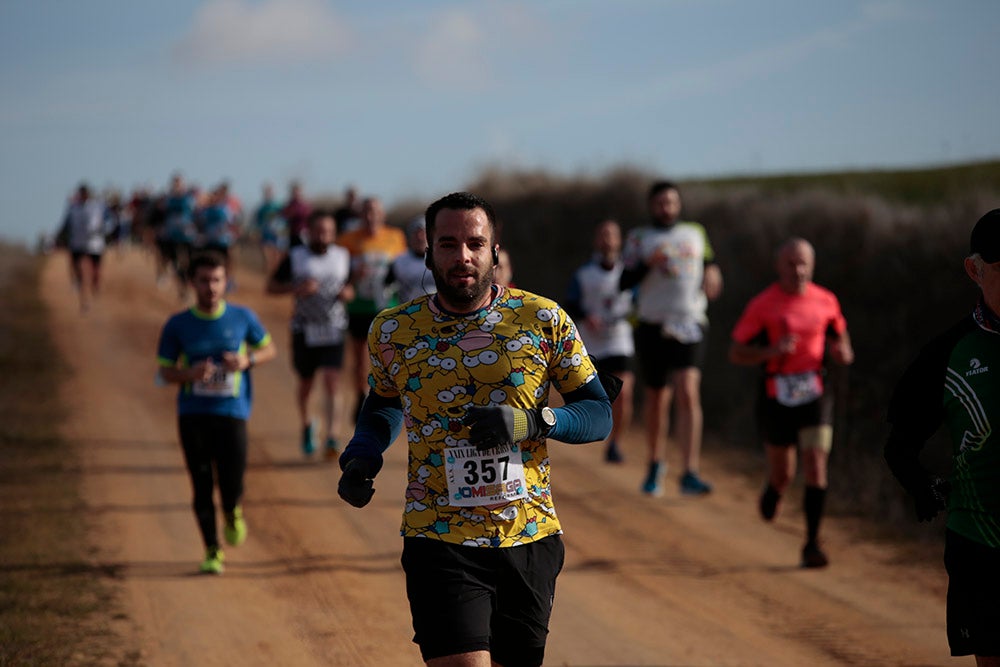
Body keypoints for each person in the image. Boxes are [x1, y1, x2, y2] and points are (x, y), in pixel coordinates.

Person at [336, 191, 613, 667]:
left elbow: (597, 412)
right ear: (427, 251)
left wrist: (532, 422)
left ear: (493, 251)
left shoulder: (543, 320)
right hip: (437, 535)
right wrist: (363, 453)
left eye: (474, 243)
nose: (462, 255)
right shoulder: (392, 331)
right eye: (447, 244)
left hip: (528, 535)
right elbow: (383, 403)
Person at [885, 209, 1000, 664]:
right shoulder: (948, 353)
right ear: (975, 270)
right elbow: (900, 443)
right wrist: (921, 483)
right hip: (982, 542)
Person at [729, 237, 854, 568]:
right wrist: (771, 352)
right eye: (791, 263)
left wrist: (843, 351)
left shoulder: (826, 300)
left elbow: (839, 333)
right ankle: (774, 489)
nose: (798, 270)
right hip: (776, 394)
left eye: (804, 263)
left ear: (812, 265)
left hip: (815, 391)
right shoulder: (763, 304)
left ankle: (812, 543)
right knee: (784, 472)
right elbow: (736, 352)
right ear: (778, 266)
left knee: (815, 463)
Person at [156, 251, 276, 574]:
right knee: (201, 482)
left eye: (217, 280)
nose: (211, 287)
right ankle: (212, 549)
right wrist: (190, 374)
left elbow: (269, 349)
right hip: (193, 414)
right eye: (204, 280)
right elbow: (164, 372)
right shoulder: (178, 324)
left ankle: (233, 509)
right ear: (192, 283)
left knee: (232, 479)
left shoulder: (242, 317)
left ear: (226, 282)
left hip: (232, 411)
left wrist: (247, 360)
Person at [620, 180, 722, 496]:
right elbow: (624, 281)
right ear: (652, 206)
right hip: (652, 324)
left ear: (679, 205)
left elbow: (709, 262)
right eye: (661, 202)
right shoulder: (639, 238)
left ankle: (689, 470)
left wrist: (714, 272)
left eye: (672, 202)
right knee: (656, 399)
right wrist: (647, 264)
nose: (667, 207)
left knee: (688, 391)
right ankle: (655, 463)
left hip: (690, 321)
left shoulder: (695, 232)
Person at [267, 211, 354, 459]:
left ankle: (332, 436)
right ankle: (307, 425)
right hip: (304, 329)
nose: (323, 235)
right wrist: (296, 289)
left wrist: (348, 293)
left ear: (334, 233)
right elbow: (270, 287)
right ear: (310, 232)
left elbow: (350, 286)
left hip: (334, 326)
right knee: (306, 383)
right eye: (318, 231)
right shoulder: (295, 257)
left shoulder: (343, 256)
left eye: (328, 231)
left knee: (332, 379)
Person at [566, 219, 636, 463]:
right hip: (592, 344)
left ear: (620, 240)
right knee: (600, 395)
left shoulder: (629, 273)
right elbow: (571, 304)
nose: (608, 239)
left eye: (612, 235)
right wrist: (587, 317)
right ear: (596, 240)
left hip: (620, 340)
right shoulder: (584, 274)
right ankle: (594, 433)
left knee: (624, 393)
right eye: (603, 234)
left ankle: (616, 443)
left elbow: (640, 302)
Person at [337, 196, 406, 420]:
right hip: (359, 306)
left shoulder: (395, 238)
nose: (371, 216)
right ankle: (360, 394)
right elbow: (339, 273)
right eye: (366, 212)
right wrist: (353, 277)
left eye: (375, 212)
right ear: (360, 215)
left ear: (382, 215)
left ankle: (390, 398)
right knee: (359, 358)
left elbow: (403, 269)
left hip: (387, 307)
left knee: (390, 356)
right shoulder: (347, 240)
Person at [58, 183, 111, 313]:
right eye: (81, 193)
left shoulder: (98, 206)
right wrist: (60, 237)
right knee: (80, 273)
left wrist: (104, 231)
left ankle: (95, 284)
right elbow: (65, 224)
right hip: (77, 244)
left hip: (95, 244)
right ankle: (84, 301)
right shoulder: (72, 208)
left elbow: (109, 221)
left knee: (96, 272)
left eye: (84, 193)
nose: (82, 196)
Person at [386, 216, 436, 303]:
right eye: (416, 233)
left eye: (423, 233)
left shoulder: (441, 259)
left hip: (437, 311)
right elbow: (386, 287)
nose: (420, 237)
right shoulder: (399, 261)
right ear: (409, 237)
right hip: (409, 311)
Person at [253, 182, 286, 275]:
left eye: (270, 192)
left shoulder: (278, 206)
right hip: (265, 233)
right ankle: (268, 273)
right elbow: (257, 221)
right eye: (266, 192)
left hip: (276, 233)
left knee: (276, 255)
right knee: (266, 254)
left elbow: (284, 219)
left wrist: (283, 230)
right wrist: (256, 232)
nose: (268, 194)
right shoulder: (262, 208)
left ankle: (276, 273)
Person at [281, 180, 312, 248]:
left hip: (304, 233)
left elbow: (310, 217)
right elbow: (284, 216)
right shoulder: (289, 205)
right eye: (294, 191)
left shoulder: (305, 205)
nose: (296, 193)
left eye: (298, 191)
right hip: (293, 233)